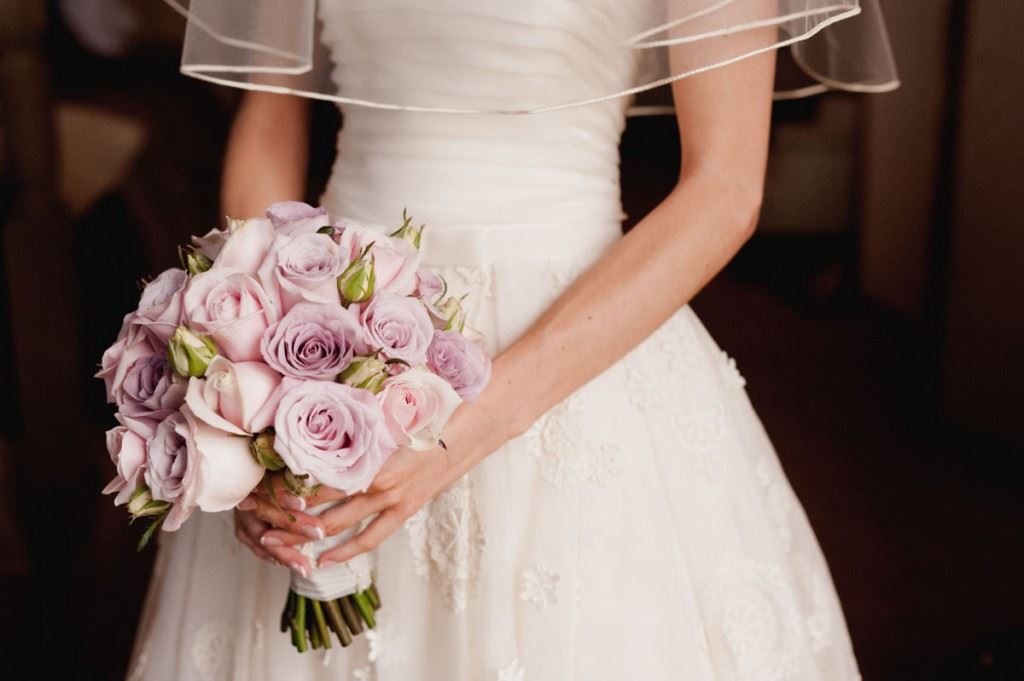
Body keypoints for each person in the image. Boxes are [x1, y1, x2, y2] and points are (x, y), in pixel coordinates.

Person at [128, 1, 897, 679]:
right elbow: (269, 118)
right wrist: (256, 363)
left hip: (573, 345)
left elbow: (724, 188)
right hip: (338, 330)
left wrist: (465, 427)